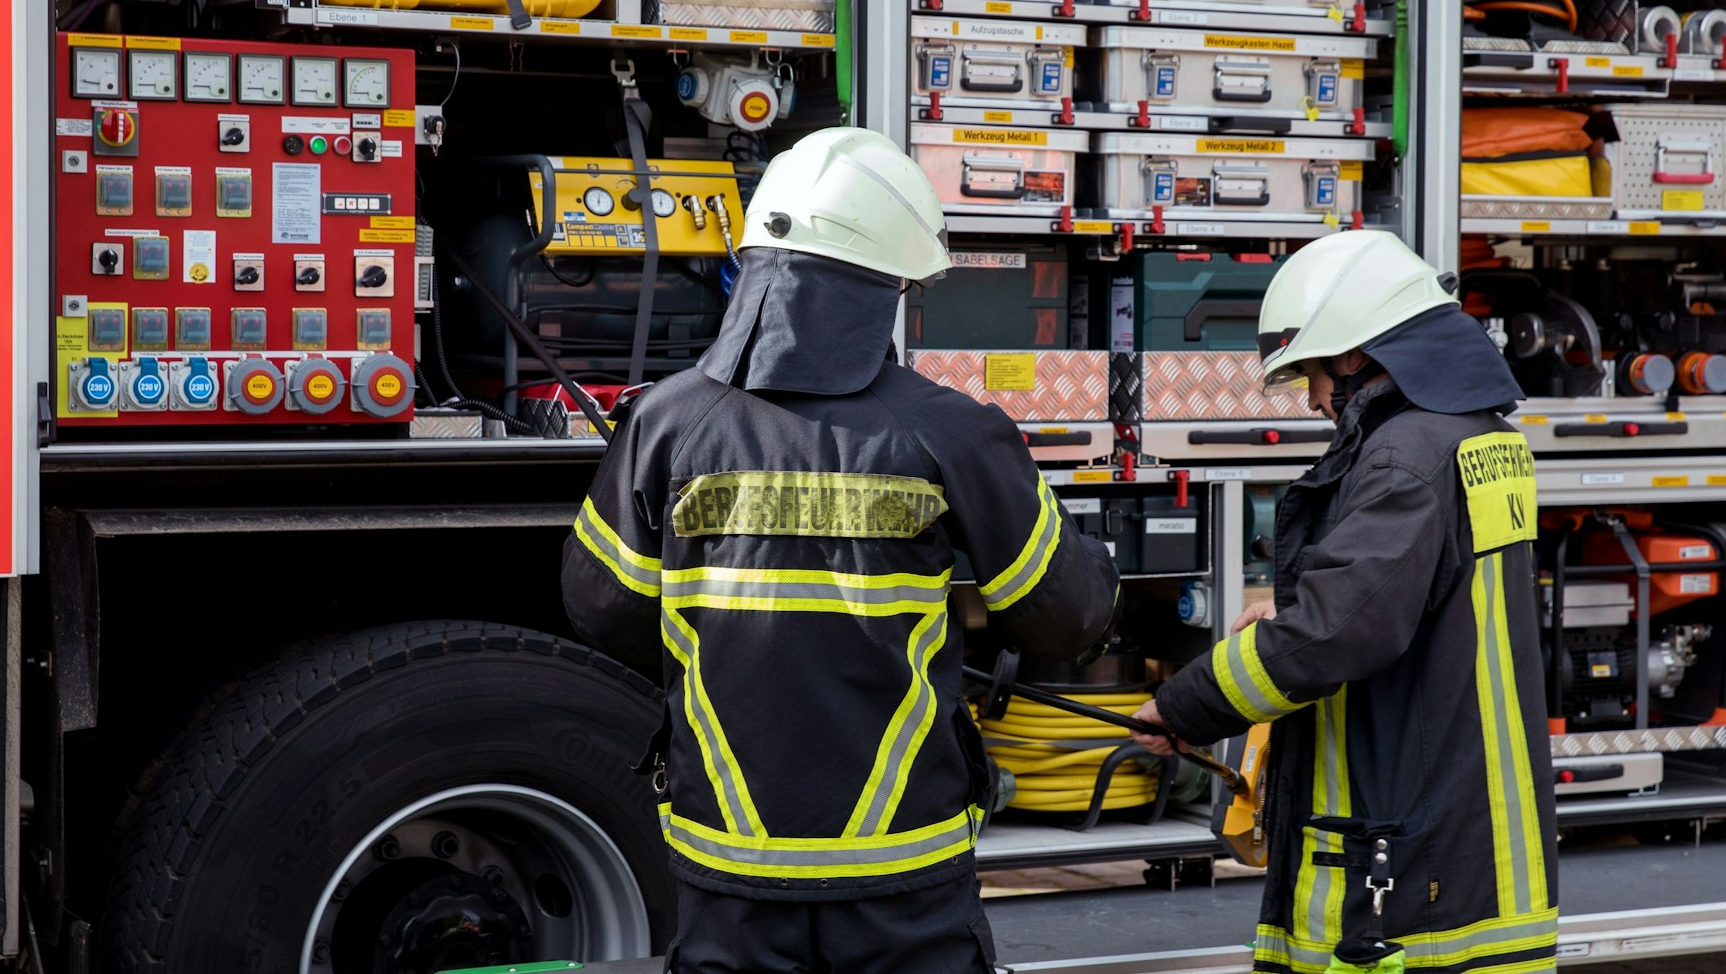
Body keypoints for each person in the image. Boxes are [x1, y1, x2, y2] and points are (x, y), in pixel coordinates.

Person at [561, 126, 1121, 974]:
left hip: (729, 867)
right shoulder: (951, 430)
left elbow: (604, 607)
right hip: (903, 873)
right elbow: (1067, 616)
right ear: (889, 280)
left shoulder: (664, 422)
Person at [1131, 229, 1558, 974]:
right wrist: (1295, 608)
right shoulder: (1482, 439)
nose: (1315, 398)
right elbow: (1420, 600)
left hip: (1411, 874)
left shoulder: (1404, 456)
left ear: (1355, 355)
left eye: (1312, 373)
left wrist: (1184, 704)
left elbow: (1338, 633)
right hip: (1476, 842)